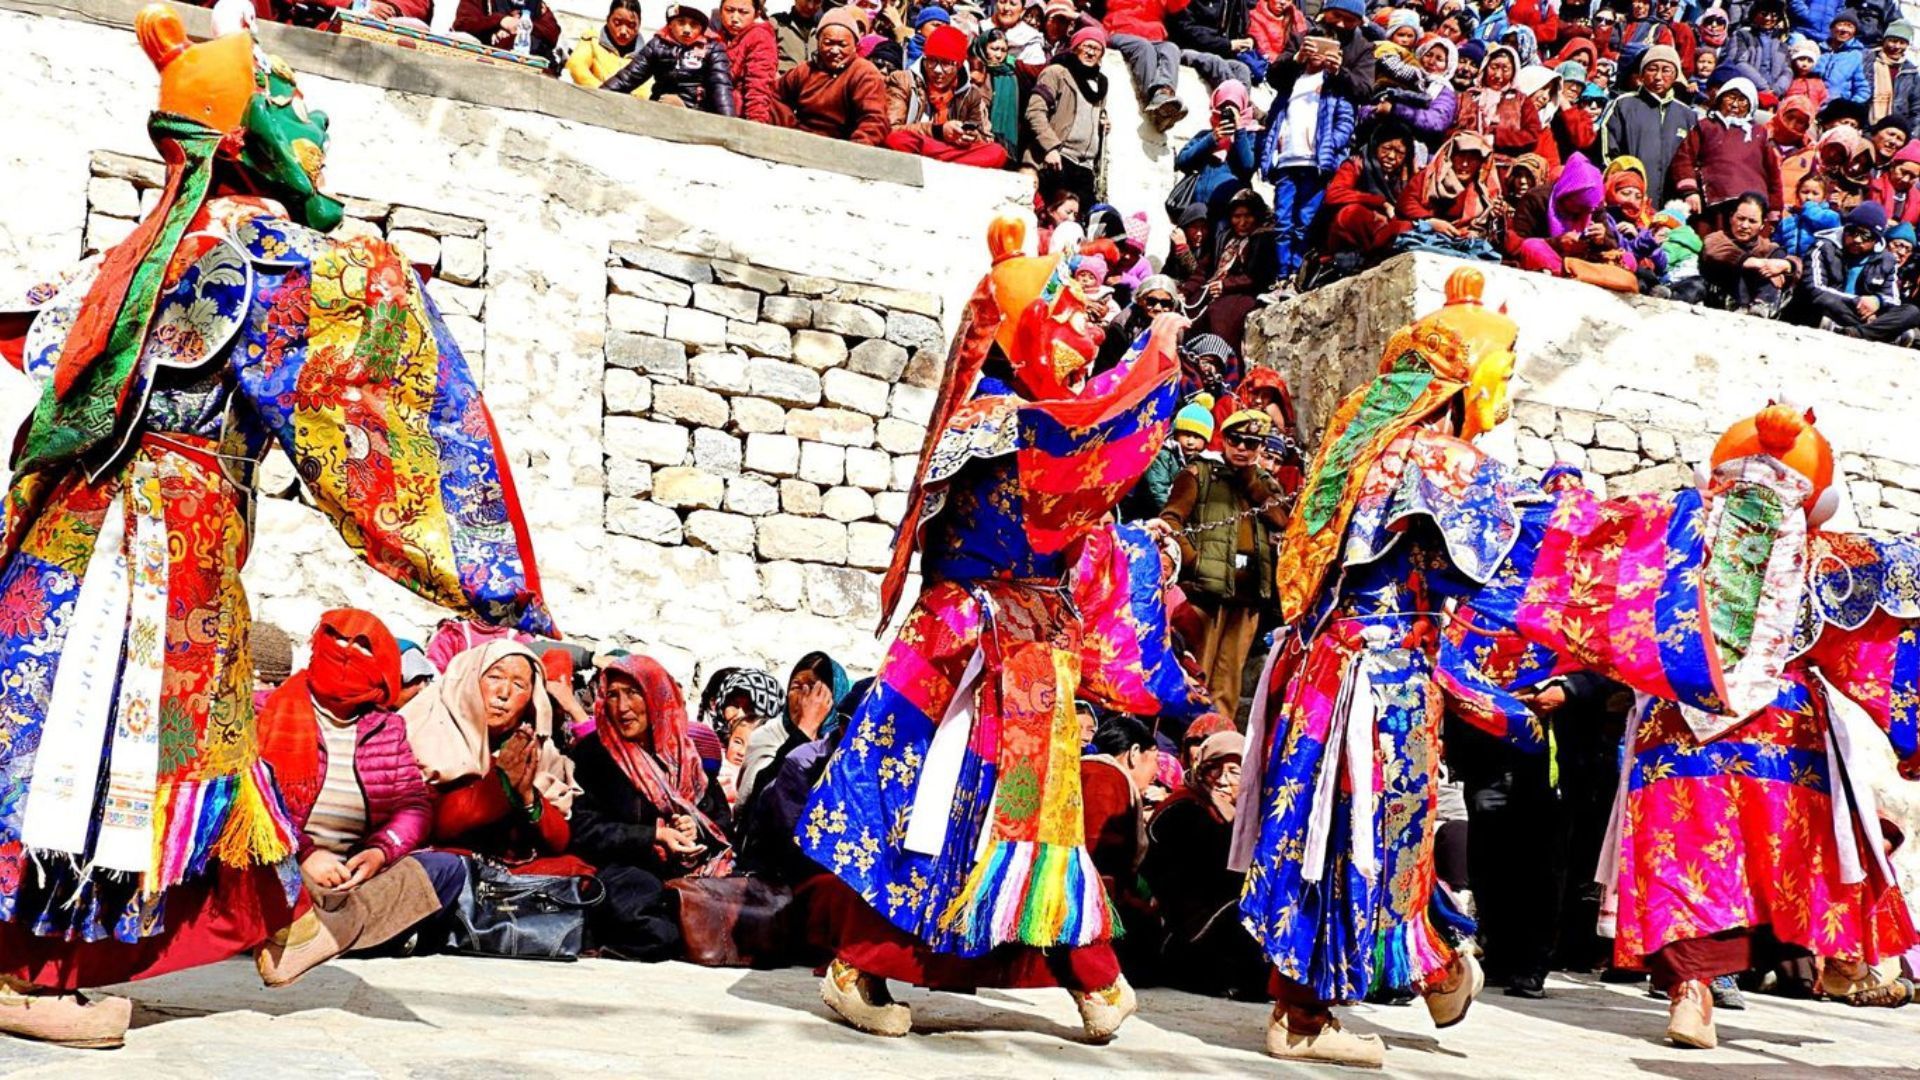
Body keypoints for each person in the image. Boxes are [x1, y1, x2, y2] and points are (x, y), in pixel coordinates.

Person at [0, 9, 551, 1049]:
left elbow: (30, 328)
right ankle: (33, 967)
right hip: (163, 541)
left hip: (70, 527)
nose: (315, 143)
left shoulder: (133, 253)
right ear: (252, 138)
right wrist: (487, 575)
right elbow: (375, 369)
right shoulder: (260, 251)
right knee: (129, 739)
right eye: (297, 120)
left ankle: (270, 915)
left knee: (113, 732)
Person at [798, 218, 1198, 1043]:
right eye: (1073, 312)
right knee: (953, 812)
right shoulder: (1001, 420)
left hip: (1017, 649)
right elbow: (1082, 445)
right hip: (973, 658)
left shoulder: (1016, 413)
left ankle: (1088, 977)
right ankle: (877, 963)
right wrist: (1156, 353)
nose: (1088, 327)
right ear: (1028, 324)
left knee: (1011, 815)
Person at [254, 610, 464, 986]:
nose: (348, 652)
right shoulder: (264, 710)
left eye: (363, 645)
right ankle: (339, 934)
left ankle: (324, 934)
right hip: (279, 859)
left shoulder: (386, 728)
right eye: (337, 639)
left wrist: (381, 851)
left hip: (348, 874)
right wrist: (302, 855)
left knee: (446, 869)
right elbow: (250, 798)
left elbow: (412, 806)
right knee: (259, 874)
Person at [566, 655, 736, 960]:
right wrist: (652, 836)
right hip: (625, 871)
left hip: (687, 873)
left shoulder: (686, 754)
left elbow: (722, 824)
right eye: (613, 695)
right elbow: (581, 828)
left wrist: (693, 829)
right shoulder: (593, 754)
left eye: (633, 693)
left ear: (657, 696)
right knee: (652, 922)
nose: (622, 708)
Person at [1154, 409, 1289, 720]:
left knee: (1228, 684)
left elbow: (1282, 521)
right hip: (1205, 595)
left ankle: (1219, 746)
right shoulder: (1199, 473)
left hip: (1246, 598)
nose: (1241, 448)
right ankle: (1184, 749)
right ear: (1224, 439)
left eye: (1251, 443)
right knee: (1194, 673)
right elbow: (1171, 518)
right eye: (1235, 440)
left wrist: (1252, 481)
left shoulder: (1265, 484)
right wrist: (1194, 562)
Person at [406, 644, 580, 873]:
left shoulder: (534, 749)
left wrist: (528, 796)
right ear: (468, 681)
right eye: (495, 677)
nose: (504, 693)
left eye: (519, 685)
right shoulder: (425, 733)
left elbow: (558, 840)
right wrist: (499, 784)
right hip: (441, 870)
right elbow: (425, 824)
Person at [1261, 39, 1357, 280]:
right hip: (1286, 161)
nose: (1318, 54)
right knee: (1282, 222)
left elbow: (1346, 121)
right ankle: (1281, 276)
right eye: (1313, 47)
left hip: (1316, 164)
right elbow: (1275, 118)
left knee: (1305, 222)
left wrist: (1330, 145)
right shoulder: (1292, 82)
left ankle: (1297, 274)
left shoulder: (1335, 85)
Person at [735, 652, 849, 810]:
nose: (803, 697)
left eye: (814, 689)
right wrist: (804, 731)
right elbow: (760, 799)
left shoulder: (841, 744)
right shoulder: (768, 735)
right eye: (796, 686)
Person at [883, 24, 1009, 167]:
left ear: (959, 66)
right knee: (896, 140)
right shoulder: (903, 80)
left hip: (950, 151)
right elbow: (891, 129)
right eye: (931, 60)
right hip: (918, 146)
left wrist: (969, 137)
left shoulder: (971, 94)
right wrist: (938, 131)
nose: (937, 70)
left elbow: (985, 138)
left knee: (996, 152)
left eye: (946, 63)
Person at [1794, 200, 1920, 339]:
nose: (1857, 239)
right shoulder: (1824, 247)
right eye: (1852, 231)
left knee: (1912, 312)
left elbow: (1892, 300)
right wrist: (1859, 303)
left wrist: (1877, 301)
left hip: (1861, 314)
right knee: (1820, 302)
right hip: (1833, 307)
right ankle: (1882, 333)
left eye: (1865, 236)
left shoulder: (1886, 261)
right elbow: (1815, 289)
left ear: (1876, 240)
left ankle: (1853, 332)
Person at [770, 8, 892, 145]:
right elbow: (774, 96)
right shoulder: (804, 70)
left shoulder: (865, 73)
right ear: (818, 42)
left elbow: (874, 120)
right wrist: (791, 127)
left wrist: (854, 150)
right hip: (801, 140)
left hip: (844, 146)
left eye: (842, 45)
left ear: (854, 46)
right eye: (828, 43)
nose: (834, 50)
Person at [1670, 78, 1784, 222]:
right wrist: (1689, 191)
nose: (1735, 105)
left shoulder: (1760, 133)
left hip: (1753, 209)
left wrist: (1774, 210)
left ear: (1751, 105)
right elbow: (1684, 158)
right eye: (1731, 97)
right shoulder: (1706, 127)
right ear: (1720, 99)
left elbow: (1773, 174)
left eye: (1743, 100)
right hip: (1713, 207)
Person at [1026, 26, 1111, 215]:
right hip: (1058, 159)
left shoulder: (1101, 84)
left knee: (1082, 223)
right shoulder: (1056, 73)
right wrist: (1050, 147)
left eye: (1096, 49)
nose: (1090, 52)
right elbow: (1035, 111)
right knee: (1051, 216)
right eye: (1086, 46)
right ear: (1075, 48)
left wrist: (1101, 124)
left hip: (1085, 167)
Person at [598, 4, 737, 115]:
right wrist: (595, 97)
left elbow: (721, 88)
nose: (687, 29)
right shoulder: (657, 45)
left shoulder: (713, 49)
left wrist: (728, 125)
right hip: (658, 111)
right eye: (681, 22)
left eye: (694, 24)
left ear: (702, 28)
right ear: (670, 24)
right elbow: (628, 77)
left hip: (697, 117)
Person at [1601, 44, 1696, 205]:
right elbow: (1608, 150)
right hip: (1630, 199)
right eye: (1652, 69)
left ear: (1675, 76)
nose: (1658, 76)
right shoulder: (1624, 105)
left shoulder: (1686, 114)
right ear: (1642, 74)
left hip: (1672, 203)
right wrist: (1627, 183)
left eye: (1666, 70)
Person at [1510, 151, 1633, 275]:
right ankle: (1572, 274)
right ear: (1566, 193)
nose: (1584, 213)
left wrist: (1602, 239)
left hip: (1585, 263)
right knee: (1532, 246)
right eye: (1579, 206)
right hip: (1553, 261)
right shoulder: (1536, 199)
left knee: (1628, 259)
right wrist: (1557, 243)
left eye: (1588, 209)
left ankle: (1580, 274)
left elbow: (1612, 246)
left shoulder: (1593, 205)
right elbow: (1517, 245)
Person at [1187, 189, 1279, 350]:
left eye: (1248, 216)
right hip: (1216, 289)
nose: (1242, 222)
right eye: (1237, 216)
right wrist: (1185, 291)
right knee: (1190, 308)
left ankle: (1224, 362)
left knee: (1219, 315)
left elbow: (1259, 276)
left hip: (1247, 291)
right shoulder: (1224, 238)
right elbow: (1203, 270)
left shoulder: (1264, 238)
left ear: (1257, 216)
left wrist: (1226, 285)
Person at [1317, 120, 1416, 261]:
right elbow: (1333, 194)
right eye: (1387, 148)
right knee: (1351, 214)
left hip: (1384, 229)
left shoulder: (1404, 175)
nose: (1392, 156)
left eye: (1400, 153)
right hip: (1352, 234)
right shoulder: (1357, 164)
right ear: (1376, 146)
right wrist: (1381, 203)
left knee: (1405, 227)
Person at [1174, 80, 1260, 226]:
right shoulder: (1205, 135)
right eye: (1223, 107)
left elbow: (1247, 166)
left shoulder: (1250, 136)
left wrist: (1239, 129)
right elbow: (1182, 161)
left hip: (1230, 216)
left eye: (1234, 108)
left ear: (1243, 108)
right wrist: (1212, 138)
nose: (1227, 112)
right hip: (1199, 214)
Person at [1698, 191, 1800, 314]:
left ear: (1762, 224)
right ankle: (1740, 305)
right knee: (1740, 265)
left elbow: (1797, 263)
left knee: (1778, 258)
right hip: (1720, 298)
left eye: (1752, 221)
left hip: (1755, 302)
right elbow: (1714, 251)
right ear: (1731, 218)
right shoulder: (1716, 239)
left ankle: (1762, 305)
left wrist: (1787, 265)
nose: (1745, 225)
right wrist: (1759, 263)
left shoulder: (1766, 247)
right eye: (1740, 218)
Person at [1264, 0, 1376, 108]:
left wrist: (1339, 72)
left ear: (1359, 22)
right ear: (1325, 12)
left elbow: (1365, 93)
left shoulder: (1363, 50)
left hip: (1334, 119)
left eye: (1349, 20)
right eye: (1336, 15)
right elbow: (1273, 78)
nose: (1341, 24)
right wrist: (1297, 59)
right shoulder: (1303, 38)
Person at [1398, 129, 1504, 240]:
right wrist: (1430, 221)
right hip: (1426, 234)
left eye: (1472, 158)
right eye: (1460, 156)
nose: (1464, 164)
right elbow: (1406, 201)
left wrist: (1497, 216)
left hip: (1464, 241)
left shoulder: (1485, 190)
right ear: (1451, 156)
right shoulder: (1430, 177)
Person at [1102, 0, 1190, 127]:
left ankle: (1164, 93)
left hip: (1154, 36)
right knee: (1144, 48)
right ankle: (1154, 101)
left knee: (1171, 49)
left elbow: (1176, 5)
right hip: (1121, 31)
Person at [1125, 397, 1215, 520]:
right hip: (1151, 515)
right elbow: (1158, 490)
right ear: (1176, 434)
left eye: (1197, 437)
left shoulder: (1204, 462)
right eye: (1186, 435)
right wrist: (1174, 517)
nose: (1190, 442)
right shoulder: (1163, 454)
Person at [1456, 45, 1546, 160]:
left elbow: (1532, 136)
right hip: (1465, 161)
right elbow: (1451, 130)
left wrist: (1497, 139)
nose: (1498, 75)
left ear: (1513, 72)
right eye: (1494, 67)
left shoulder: (1521, 101)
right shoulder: (1468, 97)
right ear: (1485, 67)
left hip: (1503, 165)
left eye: (1505, 69)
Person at [715, 0, 779, 123]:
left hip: (739, 116)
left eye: (743, 12)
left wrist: (756, 122)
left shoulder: (760, 37)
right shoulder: (719, 36)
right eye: (729, 10)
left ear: (756, 14)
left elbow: (759, 84)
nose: (734, 18)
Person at [453, 0, 563, 63]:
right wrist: (500, 20)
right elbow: (462, 23)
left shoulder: (537, 4)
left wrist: (521, 26)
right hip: (489, 65)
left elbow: (552, 33)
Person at [566, 0, 643, 89]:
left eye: (631, 25)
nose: (623, 31)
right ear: (608, 20)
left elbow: (647, 91)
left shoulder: (646, 57)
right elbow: (575, 67)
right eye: (617, 23)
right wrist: (607, 93)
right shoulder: (593, 42)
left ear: (639, 24)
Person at [973, 29, 1024, 160]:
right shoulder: (976, 72)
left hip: (1007, 142)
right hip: (979, 138)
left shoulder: (1011, 75)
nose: (999, 55)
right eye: (994, 49)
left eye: (1003, 50)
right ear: (983, 48)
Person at [1868, 20, 1920, 125]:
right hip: (1866, 124)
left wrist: (1910, 133)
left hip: (1895, 128)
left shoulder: (1911, 72)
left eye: (1902, 43)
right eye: (1893, 41)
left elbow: (1917, 107)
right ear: (1884, 41)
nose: (1897, 46)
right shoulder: (1868, 60)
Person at [1819, 9, 1874, 104]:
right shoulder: (1818, 50)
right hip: (1812, 107)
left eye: (1850, 26)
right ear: (1832, 28)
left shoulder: (1858, 55)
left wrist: (1848, 109)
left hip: (1838, 110)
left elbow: (1864, 89)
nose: (1844, 30)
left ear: (1855, 32)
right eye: (1841, 24)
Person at [773, 0, 824, 71]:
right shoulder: (776, 25)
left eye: (817, 1)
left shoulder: (823, 29)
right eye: (807, 1)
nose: (810, 6)